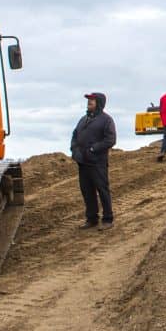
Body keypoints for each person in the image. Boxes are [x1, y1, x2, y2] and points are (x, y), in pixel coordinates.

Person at [70, 92, 117, 230]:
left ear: (99, 103)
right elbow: (74, 135)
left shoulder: (106, 120)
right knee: (87, 191)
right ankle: (92, 219)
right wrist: (74, 149)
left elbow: (111, 140)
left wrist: (93, 149)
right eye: (89, 100)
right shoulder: (83, 119)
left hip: (98, 162)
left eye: (92, 100)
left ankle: (108, 219)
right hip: (83, 162)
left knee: (102, 190)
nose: (89, 102)